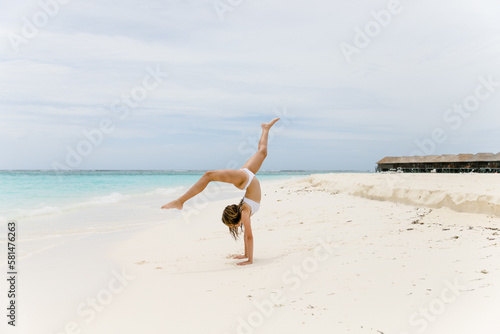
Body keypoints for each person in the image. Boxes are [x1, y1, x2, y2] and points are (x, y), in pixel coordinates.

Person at [161, 118, 280, 265]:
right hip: (248, 176)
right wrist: (245, 255)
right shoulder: (244, 214)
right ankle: (265, 128)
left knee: (209, 175)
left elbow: (249, 236)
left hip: (245, 179)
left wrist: (249, 260)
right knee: (262, 152)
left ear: (236, 219)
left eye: (232, 226)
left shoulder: (244, 213)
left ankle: (180, 201)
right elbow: (247, 236)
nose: (235, 228)